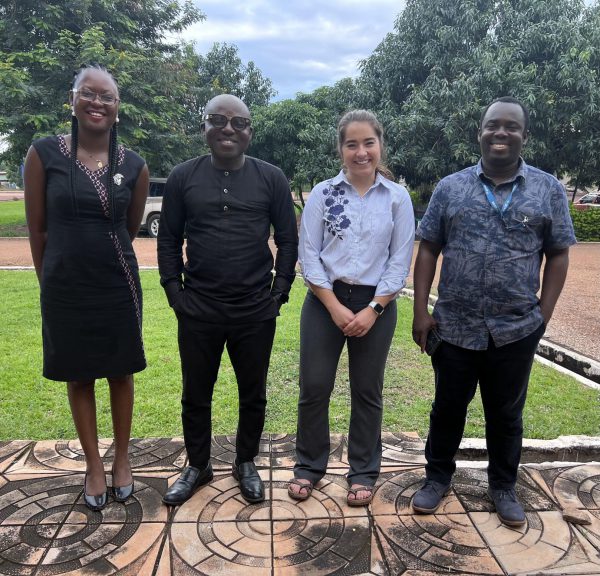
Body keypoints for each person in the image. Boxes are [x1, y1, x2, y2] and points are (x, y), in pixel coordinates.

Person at [411, 96, 576, 526]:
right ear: (480, 132)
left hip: (516, 329)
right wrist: (420, 311)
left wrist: (544, 314)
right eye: (492, 125)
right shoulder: (451, 188)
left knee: (506, 413)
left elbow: (558, 254)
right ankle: (436, 479)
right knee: (447, 407)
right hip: (455, 326)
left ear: (524, 135)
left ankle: (503, 486)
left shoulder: (547, 189)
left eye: (511, 127)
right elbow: (428, 248)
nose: (500, 133)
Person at [157, 94, 298, 505]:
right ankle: (198, 465)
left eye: (239, 122)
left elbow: (288, 240)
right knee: (195, 393)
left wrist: (279, 293)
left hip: (255, 309)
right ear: (204, 126)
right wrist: (174, 293)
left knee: (252, 392)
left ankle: (245, 462)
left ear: (250, 131)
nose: (228, 129)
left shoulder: (271, 178)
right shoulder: (183, 177)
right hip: (198, 307)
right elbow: (168, 239)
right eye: (218, 119)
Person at [24, 64, 149, 511]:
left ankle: (121, 458)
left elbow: (129, 228)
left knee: (120, 371)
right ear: (73, 100)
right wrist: (49, 282)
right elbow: (37, 230)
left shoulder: (133, 165)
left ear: (118, 108)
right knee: (79, 373)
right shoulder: (44, 154)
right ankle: (93, 464)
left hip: (117, 283)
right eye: (88, 94)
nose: (98, 102)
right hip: (64, 285)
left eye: (107, 96)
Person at [287, 110, 415, 506]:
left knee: (367, 390)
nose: (361, 152)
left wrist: (374, 308)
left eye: (368, 143)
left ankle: (362, 471)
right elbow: (309, 256)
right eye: (351, 144)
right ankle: (309, 465)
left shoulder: (397, 197)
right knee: (314, 386)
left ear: (380, 145)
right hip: (324, 301)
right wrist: (334, 307)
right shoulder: (323, 194)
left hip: (376, 303)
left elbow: (400, 259)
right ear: (340, 149)